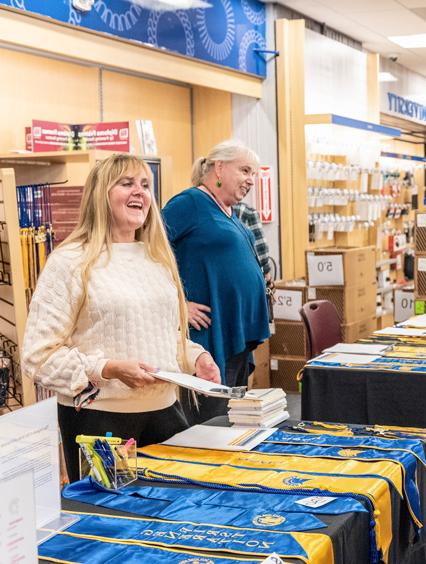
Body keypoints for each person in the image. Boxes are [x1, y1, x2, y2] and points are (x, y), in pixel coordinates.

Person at [21, 154, 220, 482]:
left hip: (166, 415)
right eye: (126, 183)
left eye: (145, 185)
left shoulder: (155, 259)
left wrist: (195, 358)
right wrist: (107, 369)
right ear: (101, 194)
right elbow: (38, 357)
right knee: (114, 522)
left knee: (172, 520)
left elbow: (161, 336)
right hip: (100, 425)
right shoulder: (70, 262)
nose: (139, 192)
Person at [162, 140, 270, 424]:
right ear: (219, 168)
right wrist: (178, 303)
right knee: (211, 418)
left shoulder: (229, 210)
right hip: (210, 334)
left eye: (254, 174)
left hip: (236, 333)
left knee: (230, 416)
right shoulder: (190, 203)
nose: (251, 180)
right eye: (245, 171)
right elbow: (149, 250)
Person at [232, 201, 273, 282]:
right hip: (244, 277)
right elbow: (261, 249)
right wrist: (267, 274)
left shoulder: (205, 209)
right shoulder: (245, 212)